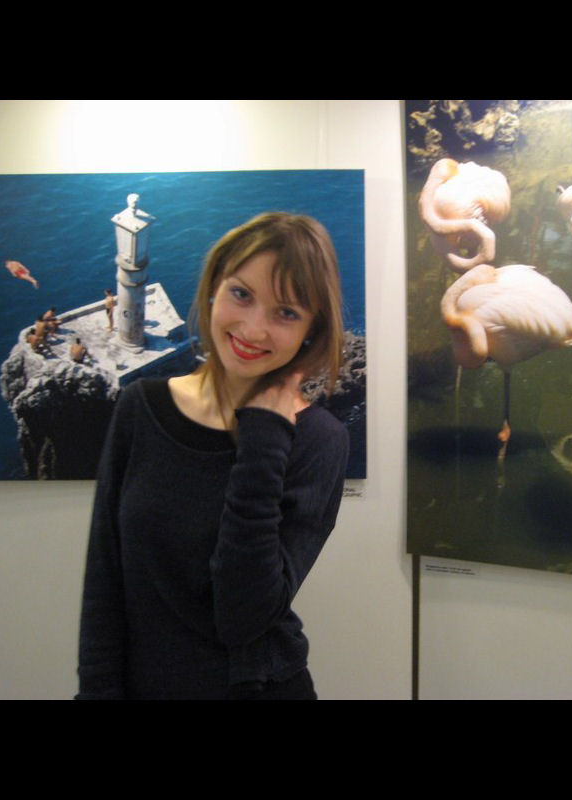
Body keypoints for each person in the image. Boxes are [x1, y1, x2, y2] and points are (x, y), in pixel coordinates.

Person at [77, 212, 349, 700]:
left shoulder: (319, 441)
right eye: (241, 294)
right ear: (214, 287)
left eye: (286, 313)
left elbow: (243, 616)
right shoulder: (141, 406)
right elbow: (105, 579)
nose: (253, 329)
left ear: (312, 330)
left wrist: (264, 435)